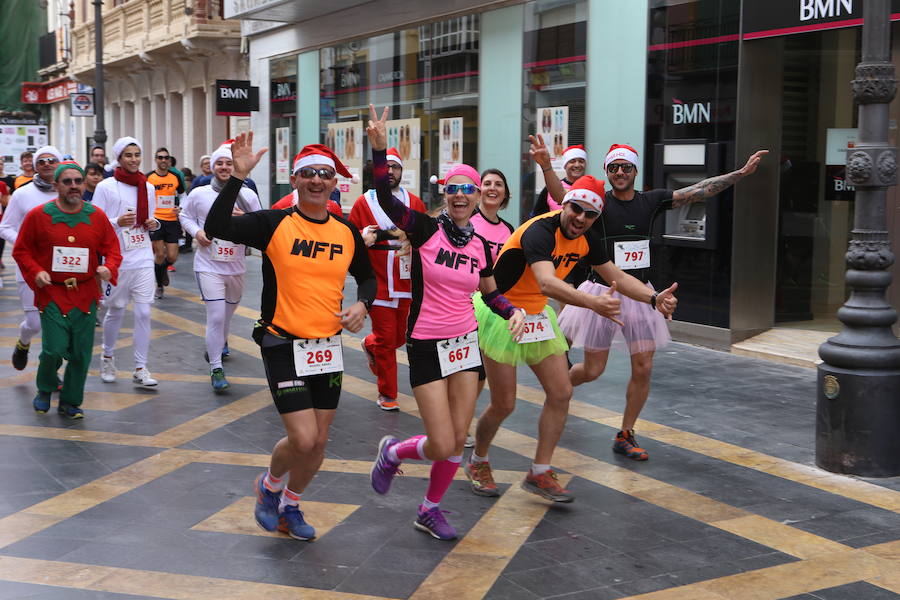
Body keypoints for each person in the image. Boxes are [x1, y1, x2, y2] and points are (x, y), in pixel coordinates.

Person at [465, 134, 678, 502]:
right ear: (565, 204)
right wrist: (592, 304)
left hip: (534, 314)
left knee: (561, 391)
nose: (580, 218)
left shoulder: (588, 236)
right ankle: (478, 459)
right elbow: (547, 282)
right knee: (505, 403)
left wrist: (653, 297)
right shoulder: (540, 231)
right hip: (501, 310)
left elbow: (617, 276)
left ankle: (540, 472)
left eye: (590, 213)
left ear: (597, 216)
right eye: (575, 209)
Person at [205, 132, 375, 542]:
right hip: (282, 341)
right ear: (295, 180)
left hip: (326, 347)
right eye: (308, 174)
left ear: (335, 184)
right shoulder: (273, 223)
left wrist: (362, 305)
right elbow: (217, 226)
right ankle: (270, 485)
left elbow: (368, 276)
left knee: (318, 443)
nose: (317, 180)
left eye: (325, 175)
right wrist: (236, 180)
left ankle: (291, 506)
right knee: (302, 437)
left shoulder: (347, 231)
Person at [366, 105, 525, 541]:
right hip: (426, 345)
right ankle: (394, 452)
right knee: (439, 443)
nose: (459, 196)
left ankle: (429, 509)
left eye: (467, 190)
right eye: (453, 188)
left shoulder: (480, 245)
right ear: (445, 193)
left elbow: (490, 293)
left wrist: (514, 314)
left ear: (478, 197)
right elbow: (384, 198)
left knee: (458, 440)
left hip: (466, 346)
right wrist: (379, 151)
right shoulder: (423, 229)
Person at [556, 143, 768, 461]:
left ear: (635, 171)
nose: (620, 172)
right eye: (613, 167)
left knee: (644, 367)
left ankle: (626, 433)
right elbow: (568, 205)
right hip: (605, 296)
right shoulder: (598, 206)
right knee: (593, 370)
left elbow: (698, 190)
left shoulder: (650, 201)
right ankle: (557, 390)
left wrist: (739, 173)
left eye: (626, 167)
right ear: (607, 172)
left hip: (643, 296)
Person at [12, 162, 121, 418]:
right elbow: (21, 250)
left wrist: (109, 268)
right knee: (53, 349)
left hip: (85, 293)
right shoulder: (39, 215)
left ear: (84, 184)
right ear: (56, 186)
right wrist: (36, 272)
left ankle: (70, 402)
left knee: (81, 353)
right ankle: (45, 388)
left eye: (78, 181)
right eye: (67, 181)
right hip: (52, 293)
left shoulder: (96, 216)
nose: (74, 186)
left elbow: (113, 249)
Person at [179, 141, 261, 391]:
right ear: (212, 167)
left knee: (227, 314)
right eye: (220, 163)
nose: (224, 167)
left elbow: (261, 224)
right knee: (215, 315)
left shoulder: (247, 194)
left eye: (229, 162)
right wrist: (196, 232)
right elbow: (184, 215)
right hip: (208, 265)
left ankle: (219, 343)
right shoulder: (199, 193)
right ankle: (216, 367)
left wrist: (245, 221)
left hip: (235, 266)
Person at [349, 146, 425, 411]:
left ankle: (370, 344)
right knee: (386, 339)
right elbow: (354, 239)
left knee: (399, 338)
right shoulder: (363, 203)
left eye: (396, 167)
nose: (390, 172)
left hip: (406, 281)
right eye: (386, 167)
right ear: (377, 170)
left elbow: (423, 235)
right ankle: (387, 393)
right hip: (378, 280)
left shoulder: (414, 202)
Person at [92, 136, 162, 388]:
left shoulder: (148, 187)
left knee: (144, 311)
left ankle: (141, 367)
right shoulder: (106, 187)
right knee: (117, 310)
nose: (134, 160)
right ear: (119, 158)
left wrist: (155, 224)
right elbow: (94, 222)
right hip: (117, 260)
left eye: (137, 155)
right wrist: (115, 222)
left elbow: (150, 220)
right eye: (128, 155)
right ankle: (107, 356)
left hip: (143, 256)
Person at [0, 146, 65, 370]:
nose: (47, 164)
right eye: (42, 161)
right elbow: (5, 227)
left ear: (59, 163)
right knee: (36, 323)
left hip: (61, 266)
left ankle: (51, 372)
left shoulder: (68, 190)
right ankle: (23, 341)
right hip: (29, 266)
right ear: (35, 166)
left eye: (52, 160)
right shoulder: (22, 194)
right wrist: (24, 242)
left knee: (57, 323)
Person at [147, 147, 185, 298]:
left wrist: (180, 208)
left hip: (172, 221)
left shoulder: (175, 177)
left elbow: (183, 195)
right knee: (160, 254)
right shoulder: (149, 177)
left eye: (166, 158)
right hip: (156, 220)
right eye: (160, 157)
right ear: (156, 159)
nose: (163, 160)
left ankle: (162, 271)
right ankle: (160, 285)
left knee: (172, 257)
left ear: (169, 160)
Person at [531, 144, 586, 217]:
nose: (577, 165)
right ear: (565, 165)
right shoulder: (552, 187)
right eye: (572, 161)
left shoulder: (590, 187)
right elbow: (536, 216)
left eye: (581, 161)